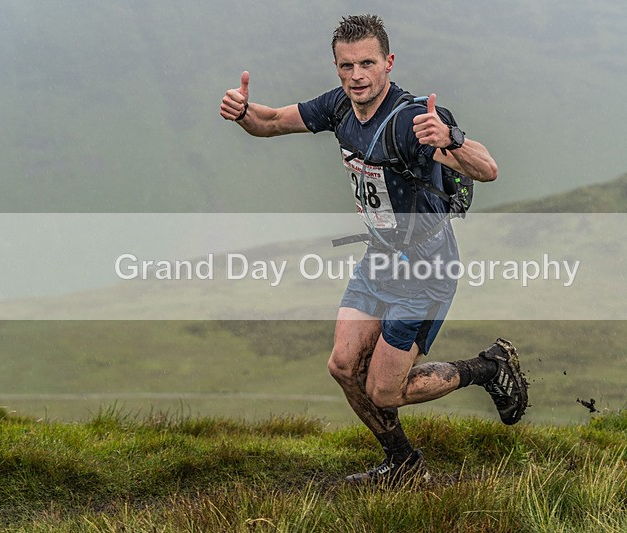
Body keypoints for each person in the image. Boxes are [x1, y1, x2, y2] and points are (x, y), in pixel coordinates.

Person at [221, 14, 527, 483]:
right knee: (343, 366)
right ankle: (403, 463)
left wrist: (452, 138)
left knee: (384, 390)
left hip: (426, 266)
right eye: (346, 66)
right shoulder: (340, 107)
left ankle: (487, 368)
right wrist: (243, 112)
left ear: (388, 63)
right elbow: (273, 123)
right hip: (379, 257)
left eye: (367, 63)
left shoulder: (411, 121)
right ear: (337, 68)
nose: (357, 76)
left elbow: (487, 169)